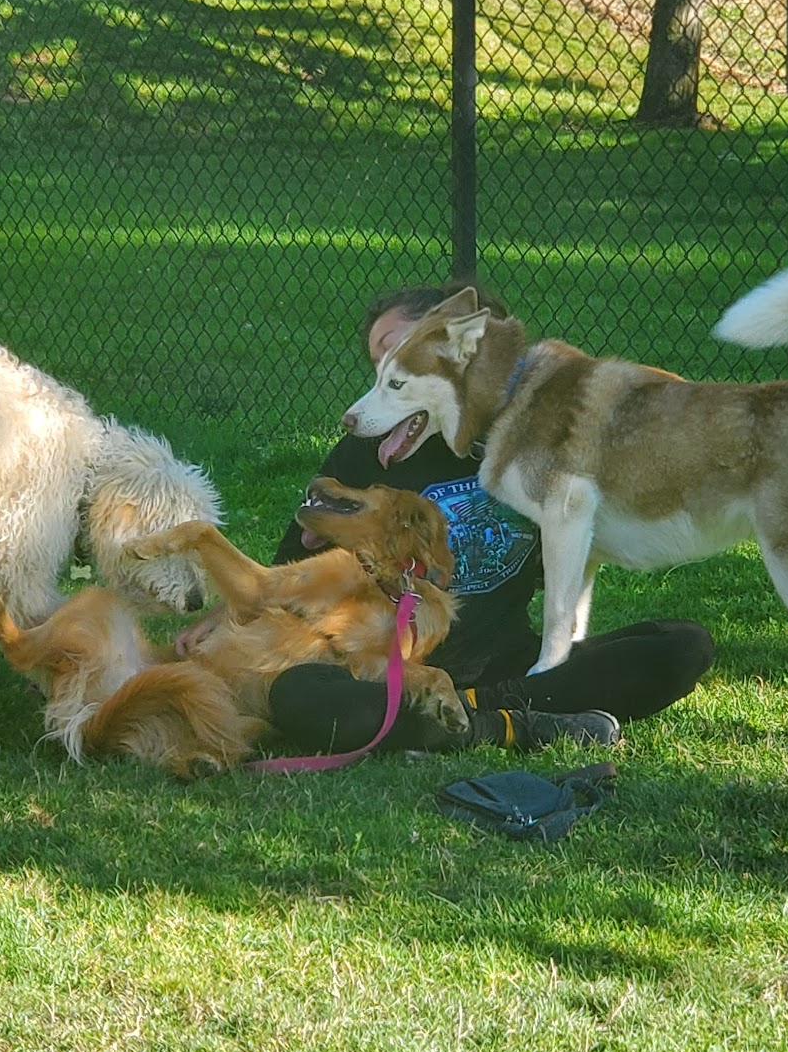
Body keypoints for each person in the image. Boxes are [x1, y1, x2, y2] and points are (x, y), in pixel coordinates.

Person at [253, 279, 716, 757]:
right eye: (380, 365)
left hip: (507, 664)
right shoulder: (372, 448)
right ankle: (510, 722)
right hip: (389, 671)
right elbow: (289, 565)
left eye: (398, 352)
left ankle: (473, 714)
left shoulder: (539, 437)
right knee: (298, 695)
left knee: (681, 646)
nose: (389, 373)